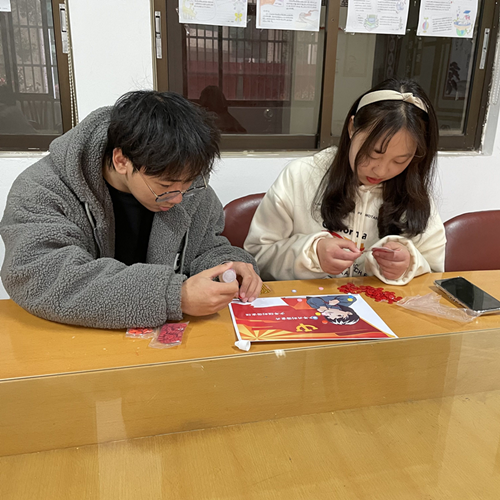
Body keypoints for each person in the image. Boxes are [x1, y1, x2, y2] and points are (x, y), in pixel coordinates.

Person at [0, 90, 261, 329]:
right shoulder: (43, 188)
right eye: (165, 185)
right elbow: (40, 274)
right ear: (121, 160)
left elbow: (207, 247)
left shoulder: (190, 190)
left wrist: (227, 267)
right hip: (73, 338)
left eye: (189, 182)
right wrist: (173, 295)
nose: (179, 197)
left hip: (163, 342)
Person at [245, 78, 446, 285]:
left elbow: (435, 275)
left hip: (380, 305)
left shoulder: (414, 195)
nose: (381, 170)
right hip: (307, 303)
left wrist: (410, 264)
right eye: (373, 153)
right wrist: (312, 253)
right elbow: (256, 259)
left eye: (400, 161)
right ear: (352, 127)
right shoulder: (300, 177)